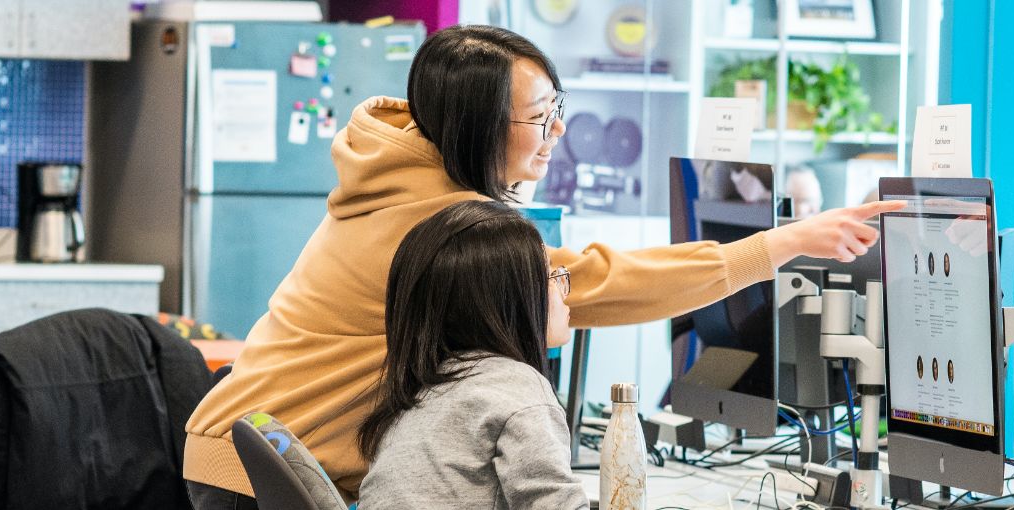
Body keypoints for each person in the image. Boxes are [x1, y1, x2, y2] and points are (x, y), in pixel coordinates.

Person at [182, 25, 903, 506]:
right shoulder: (434, 222)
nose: (559, 132)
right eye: (541, 116)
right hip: (268, 469)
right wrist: (778, 245)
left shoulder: (403, 175)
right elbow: (599, 280)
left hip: (257, 447)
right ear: (475, 123)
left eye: (560, 108)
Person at [355, 201, 585, 509]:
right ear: (509, 301)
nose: (562, 289)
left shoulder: (420, 397)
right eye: (550, 276)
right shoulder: (515, 386)